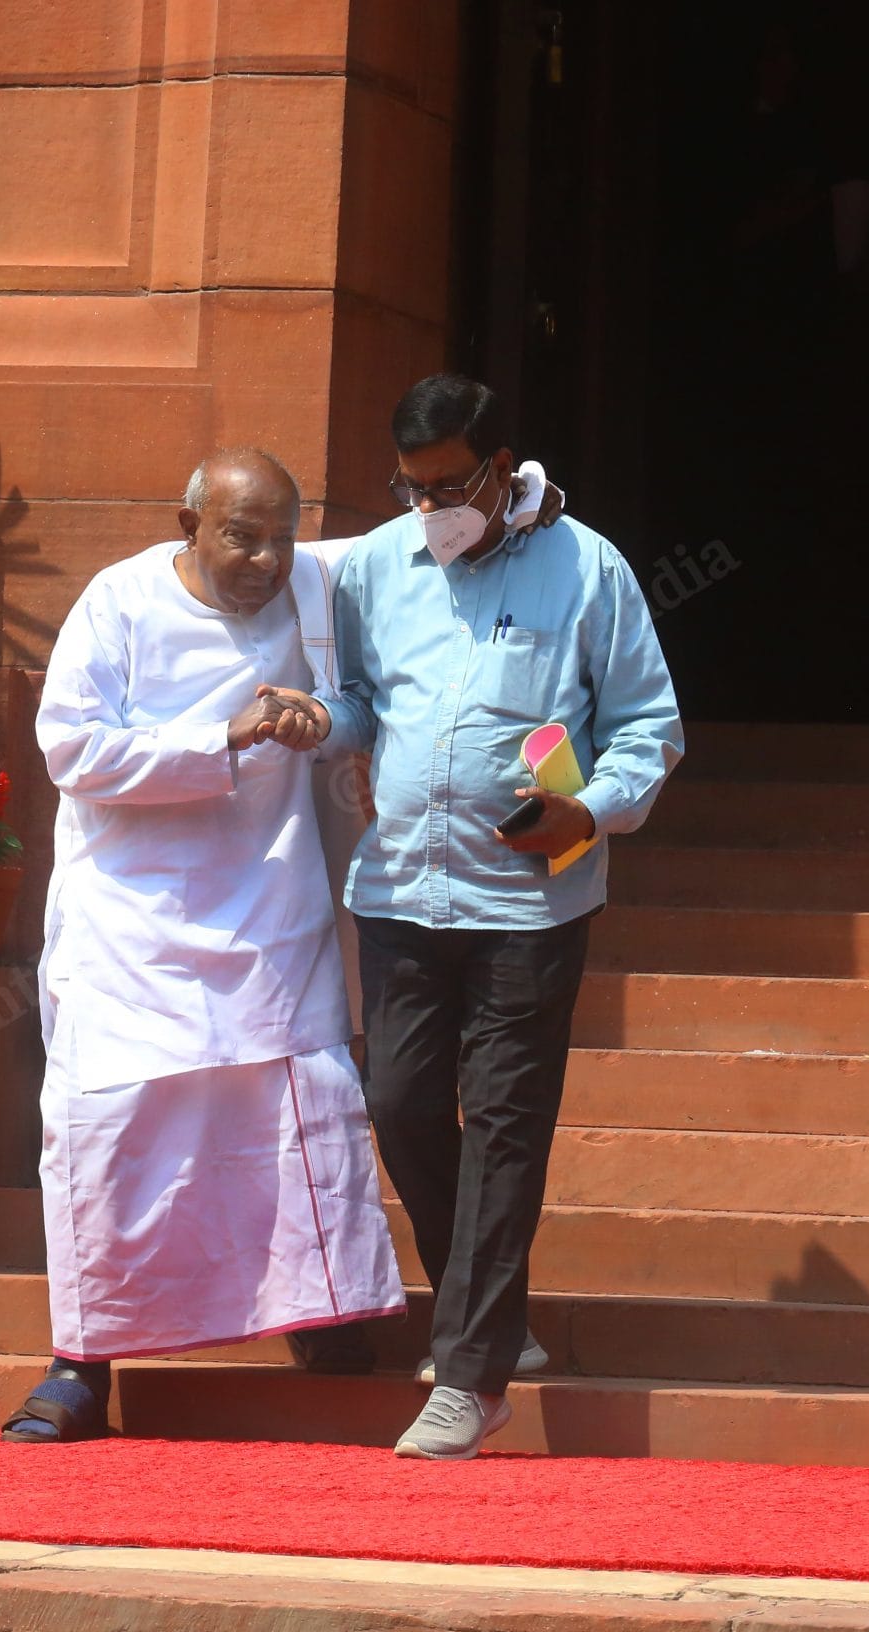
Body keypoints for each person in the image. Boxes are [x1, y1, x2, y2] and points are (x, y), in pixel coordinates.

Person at [264, 375, 683, 1460]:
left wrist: (586, 809)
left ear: (502, 468)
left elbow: (648, 725)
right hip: (403, 888)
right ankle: (488, 1313)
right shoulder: (372, 567)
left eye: (448, 484)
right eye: (410, 486)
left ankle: (470, 1377)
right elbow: (362, 702)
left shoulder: (587, 568)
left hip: (529, 903)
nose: (429, 505)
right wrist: (321, 722)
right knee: (402, 1104)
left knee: (503, 1126)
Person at [1, 449, 407, 1443]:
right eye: (242, 535)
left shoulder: (312, 578)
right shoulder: (117, 601)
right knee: (104, 1130)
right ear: (187, 523)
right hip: (127, 920)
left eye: (282, 534)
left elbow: (425, 539)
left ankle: (319, 1312)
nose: (268, 559)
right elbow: (70, 751)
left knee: (296, 1104)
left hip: (267, 898)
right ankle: (82, 1359)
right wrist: (216, 740)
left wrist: (521, 492)